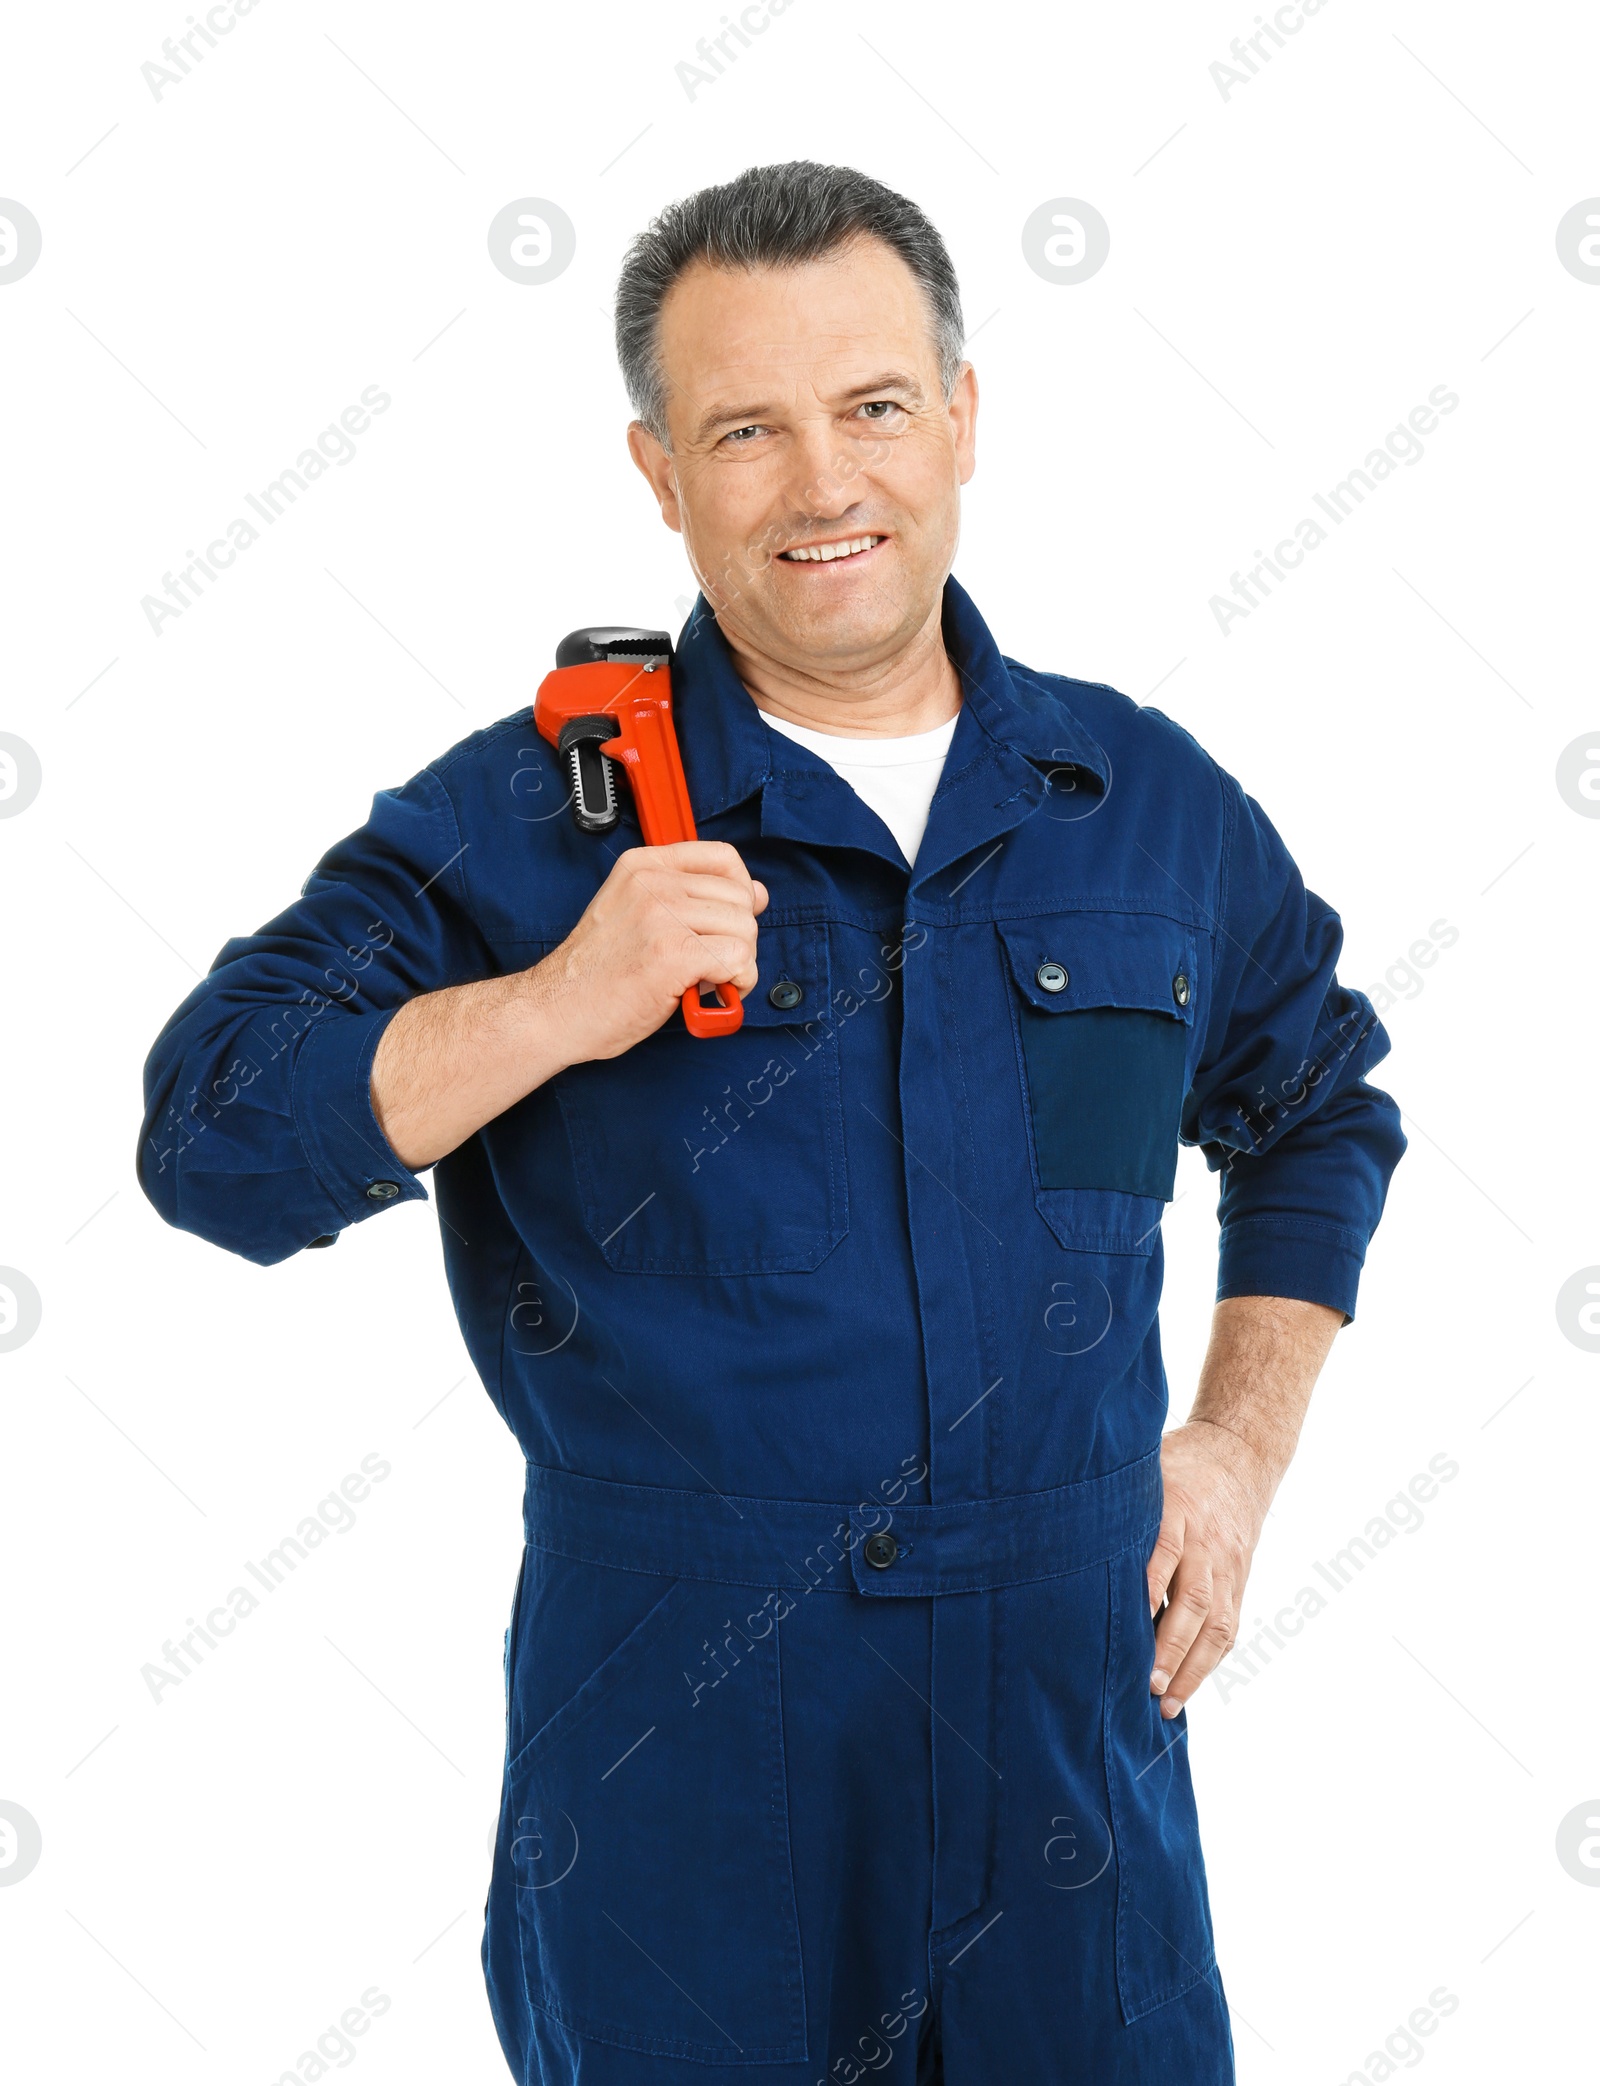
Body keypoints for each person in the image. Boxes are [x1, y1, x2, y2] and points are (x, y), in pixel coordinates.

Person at [139, 161, 1405, 2085]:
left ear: (962, 419)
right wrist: (560, 1001)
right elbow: (212, 1134)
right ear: (659, 470)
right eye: (749, 429)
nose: (825, 484)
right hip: (691, 1783)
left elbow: (1317, 1106)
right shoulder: (539, 820)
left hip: (1069, 1750)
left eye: (875, 408)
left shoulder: (1136, 803)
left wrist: (1231, 1449)